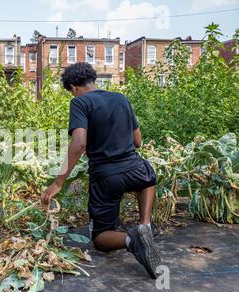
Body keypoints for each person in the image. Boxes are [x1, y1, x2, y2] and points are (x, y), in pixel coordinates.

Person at [41, 62, 162, 279]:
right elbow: (138, 141)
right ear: (92, 80)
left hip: (106, 178)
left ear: (74, 88)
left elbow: (78, 144)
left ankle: (132, 240)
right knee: (147, 175)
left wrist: (58, 182)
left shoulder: (79, 102)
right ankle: (145, 225)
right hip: (135, 170)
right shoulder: (121, 99)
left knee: (100, 238)